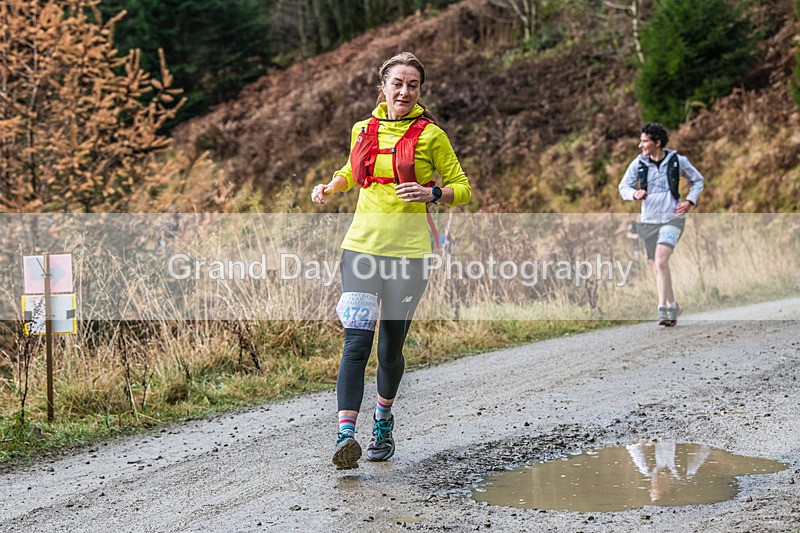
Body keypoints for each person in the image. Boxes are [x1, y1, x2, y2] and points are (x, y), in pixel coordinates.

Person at [311, 52, 471, 470]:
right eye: (397, 83)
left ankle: (383, 419)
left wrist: (432, 194)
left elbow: (462, 188)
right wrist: (332, 185)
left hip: (409, 256)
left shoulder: (432, 136)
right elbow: (352, 168)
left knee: (389, 349)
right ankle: (346, 435)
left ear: (419, 91)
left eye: (412, 85)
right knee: (356, 343)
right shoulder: (362, 128)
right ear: (382, 86)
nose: (404, 91)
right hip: (361, 249)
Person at [619, 122, 704, 326]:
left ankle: (662, 308)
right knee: (658, 267)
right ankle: (673, 305)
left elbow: (697, 180)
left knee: (661, 262)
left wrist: (689, 201)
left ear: (657, 142)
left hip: (672, 219)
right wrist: (634, 193)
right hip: (648, 221)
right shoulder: (638, 164)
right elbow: (623, 186)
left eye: (644, 141)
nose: (640, 145)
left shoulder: (677, 161)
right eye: (641, 141)